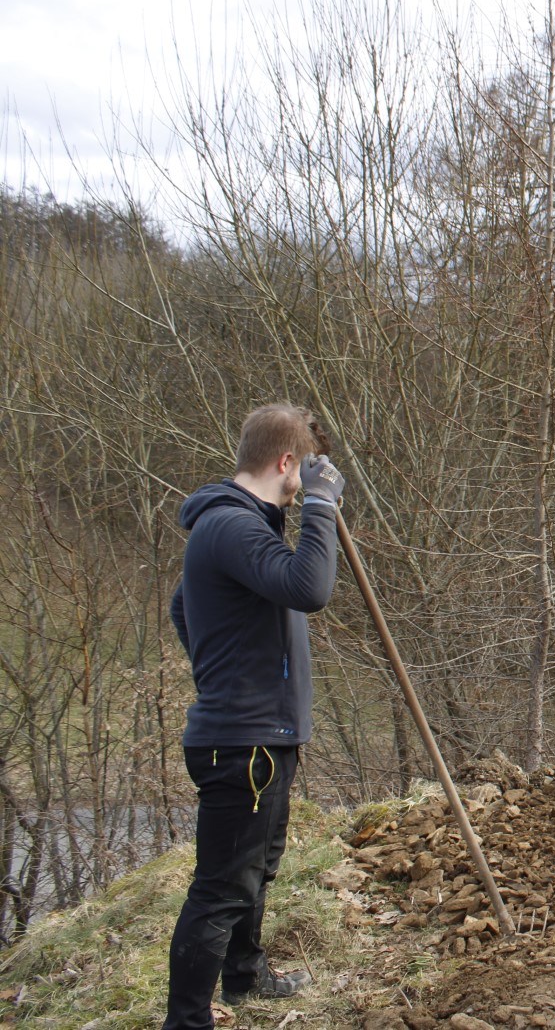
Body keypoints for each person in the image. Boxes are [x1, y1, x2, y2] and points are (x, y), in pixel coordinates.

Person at [164, 404, 345, 1029]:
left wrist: (226, 673)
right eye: (304, 474)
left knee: (254, 871)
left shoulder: (240, 526)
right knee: (220, 890)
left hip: (259, 736)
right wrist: (320, 504)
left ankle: (244, 976)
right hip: (243, 743)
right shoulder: (232, 525)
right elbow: (309, 587)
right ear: (287, 462)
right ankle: (186, 1022)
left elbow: (182, 606)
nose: (304, 486)